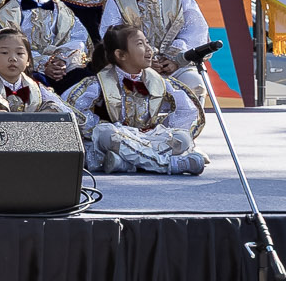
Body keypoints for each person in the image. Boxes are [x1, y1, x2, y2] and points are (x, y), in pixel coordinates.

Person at [96, 0, 211, 131]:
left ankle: (179, 138)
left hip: (177, 64)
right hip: (134, 68)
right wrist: (142, 62)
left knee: (194, 81)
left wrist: (176, 58)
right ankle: (138, 137)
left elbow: (195, 29)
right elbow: (112, 35)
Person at [74, 24, 205, 177]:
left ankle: (126, 163)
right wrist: (98, 126)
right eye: (140, 44)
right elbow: (76, 110)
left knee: (181, 138)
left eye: (147, 42)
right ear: (121, 55)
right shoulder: (98, 83)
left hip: (147, 136)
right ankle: (169, 164)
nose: (150, 49)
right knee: (105, 133)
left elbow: (187, 109)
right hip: (119, 136)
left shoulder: (159, 81)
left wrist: (165, 128)